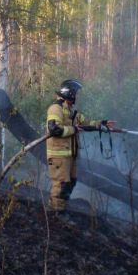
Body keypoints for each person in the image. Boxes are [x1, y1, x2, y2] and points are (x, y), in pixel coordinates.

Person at [46, 79, 116, 218]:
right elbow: (54, 129)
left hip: (70, 155)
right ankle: (56, 215)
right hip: (59, 155)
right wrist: (73, 129)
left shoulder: (70, 111)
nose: (76, 96)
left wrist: (101, 124)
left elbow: (86, 123)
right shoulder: (56, 108)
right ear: (69, 92)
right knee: (61, 185)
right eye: (75, 93)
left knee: (71, 182)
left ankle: (61, 209)